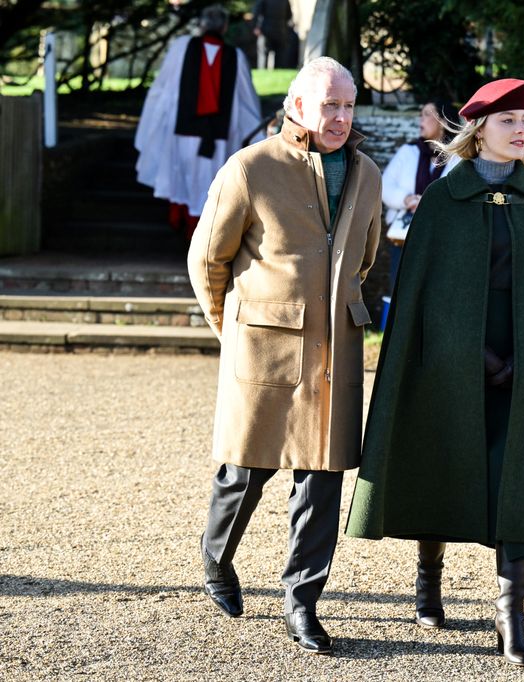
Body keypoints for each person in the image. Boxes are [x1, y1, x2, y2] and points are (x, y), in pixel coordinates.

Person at [345, 78, 524, 669]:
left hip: (521, 360)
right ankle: (429, 579)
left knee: (515, 474)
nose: (522, 130)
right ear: (478, 131)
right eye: (508, 122)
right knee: (446, 462)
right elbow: (423, 296)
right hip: (453, 360)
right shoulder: (445, 201)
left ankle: (510, 614)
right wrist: (467, 354)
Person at [188, 57, 382, 655]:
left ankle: (303, 603)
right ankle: (216, 559)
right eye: (330, 105)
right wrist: (234, 333)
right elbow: (207, 261)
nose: (341, 117)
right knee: (245, 471)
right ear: (297, 105)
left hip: (334, 353)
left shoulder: (367, 172)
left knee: (320, 483)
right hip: (263, 349)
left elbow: (366, 260)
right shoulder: (250, 168)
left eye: (348, 106)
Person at [135, 5, 263, 240]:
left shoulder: (181, 48)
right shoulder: (235, 56)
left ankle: (182, 222)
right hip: (218, 135)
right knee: (209, 185)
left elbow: (163, 88)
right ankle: (201, 234)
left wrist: (154, 122)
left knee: (182, 177)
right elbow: (247, 102)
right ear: (224, 27)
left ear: (202, 24)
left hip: (183, 131)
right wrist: (260, 137)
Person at [380, 100, 459, 294]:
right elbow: (384, 185)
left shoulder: (459, 157)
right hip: (404, 237)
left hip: (442, 240)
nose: (420, 119)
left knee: (435, 292)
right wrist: (407, 199)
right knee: (401, 290)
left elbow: (460, 194)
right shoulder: (409, 152)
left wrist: (429, 204)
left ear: (442, 120)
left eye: (426, 114)